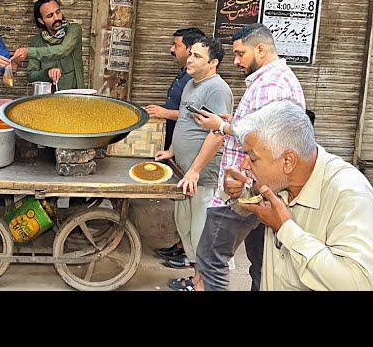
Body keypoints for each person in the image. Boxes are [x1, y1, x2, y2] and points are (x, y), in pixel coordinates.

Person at [192, 23, 305, 291]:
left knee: (210, 261)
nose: (236, 61)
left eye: (241, 54)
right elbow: (264, 126)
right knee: (262, 265)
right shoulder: (276, 79)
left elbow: (264, 141)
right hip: (259, 189)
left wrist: (221, 126)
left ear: (262, 49)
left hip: (243, 189)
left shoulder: (272, 84)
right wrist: (236, 121)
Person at [231, 100, 373, 290]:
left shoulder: (350, 194)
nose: (244, 166)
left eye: (253, 158)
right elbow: (245, 207)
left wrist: (285, 229)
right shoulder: (278, 182)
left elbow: (360, 283)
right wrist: (236, 191)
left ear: (288, 161)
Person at [154, 36, 233, 291]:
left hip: (203, 177)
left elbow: (217, 133)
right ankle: (197, 280)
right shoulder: (191, 84)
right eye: (191, 54)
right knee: (187, 231)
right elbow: (187, 122)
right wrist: (172, 150)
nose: (190, 59)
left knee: (202, 236)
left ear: (213, 63)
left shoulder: (217, 89)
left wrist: (196, 170)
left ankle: (202, 286)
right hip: (185, 173)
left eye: (197, 56)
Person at [144, 27, 205, 261]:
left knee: (193, 205)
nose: (172, 49)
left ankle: (190, 254)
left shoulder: (200, 81)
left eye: (176, 45)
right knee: (183, 205)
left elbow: (200, 115)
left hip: (194, 154)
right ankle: (181, 245)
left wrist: (165, 113)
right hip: (177, 146)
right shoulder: (185, 76)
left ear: (190, 49)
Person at [15, 0, 83, 91]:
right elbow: (31, 76)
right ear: (41, 20)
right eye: (50, 16)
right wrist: (47, 73)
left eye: (58, 12)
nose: (56, 18)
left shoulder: (74, 30)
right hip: (48, 99)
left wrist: (29, 52)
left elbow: (63, 50)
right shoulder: (37, 41)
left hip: (75, 97)